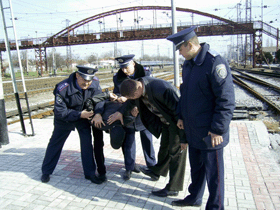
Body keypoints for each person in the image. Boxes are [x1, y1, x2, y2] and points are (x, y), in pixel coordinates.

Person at [166, 26, 235, 208]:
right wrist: (181, 116)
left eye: (180, 49)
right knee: (197, 170)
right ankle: (194, 198)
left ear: (189, 45)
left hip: (211, 133)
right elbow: (185, 94)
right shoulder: (189, 65)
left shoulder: (214, 63)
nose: (179, 54)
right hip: (193, 130)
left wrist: (218, 129)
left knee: (214, 176)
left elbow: (226, 100)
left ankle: (215, 207)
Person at [108, 77, 187, 197]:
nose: (132, 100)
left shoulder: (163, 90)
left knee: (176, 153)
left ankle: (173, 188)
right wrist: (120, 112)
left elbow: (180, 113)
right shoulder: (138, 86)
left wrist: (184, 138)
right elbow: (131, 101)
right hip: (166, 122)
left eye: (133, 97)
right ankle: (157, 172)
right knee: (164, 148)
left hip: (177, 124)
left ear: (138, 89)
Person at [41, 65, 114, 184]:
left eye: (89, 80)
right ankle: (46, 171)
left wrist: (98, 114)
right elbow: (60, 112)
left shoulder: (94, 83)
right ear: (77, 75)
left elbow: (100, 100)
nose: (87, 83)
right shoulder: (62, 88)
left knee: (86, 145)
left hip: (83, 117)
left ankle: (90, 173)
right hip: (65, 119)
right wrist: (80, 114)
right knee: (55, 144)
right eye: (84, 80)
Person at [109, 54, 156, 181]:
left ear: (133, 63)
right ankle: (129, 167)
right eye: (122, 68)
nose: (124, 71)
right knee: (128, 141)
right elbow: (118, 91)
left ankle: (152, 167)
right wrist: (116, 96)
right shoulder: (118, 77)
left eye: (126, 67)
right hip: (128, 113)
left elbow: (150, 93)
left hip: (143, 112)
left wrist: (138, 106)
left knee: (147, 140)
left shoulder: (145, 73)